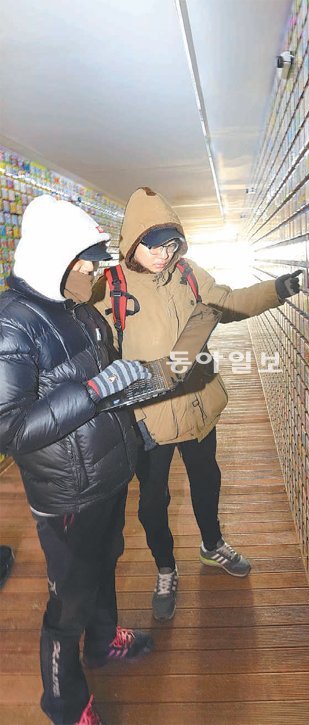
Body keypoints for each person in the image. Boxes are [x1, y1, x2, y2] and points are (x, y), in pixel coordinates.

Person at [95, 186, 300, 622]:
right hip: (148, 418)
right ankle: (165, 569)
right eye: (154, 246)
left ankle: (212, 544)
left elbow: (229, 301)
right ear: (132, 242)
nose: (164, 255)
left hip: (198, 405)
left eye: (171, 245)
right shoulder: (110, 288)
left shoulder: (188, 273)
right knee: (153, 501)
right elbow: (95, 353)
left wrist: (277, 289)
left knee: (207, 479)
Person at [0, 194, 154, 725]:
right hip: (67, 493)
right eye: (86, 260)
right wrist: (94, 390)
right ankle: (65, 704)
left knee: (105, 562)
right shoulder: (12, 324)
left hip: (107, 473)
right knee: (68, 602)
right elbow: (11, 428)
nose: (93, 270)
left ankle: (104, 639)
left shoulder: (78, 309)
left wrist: (129, 405)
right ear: (55, 257)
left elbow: (98, 384)